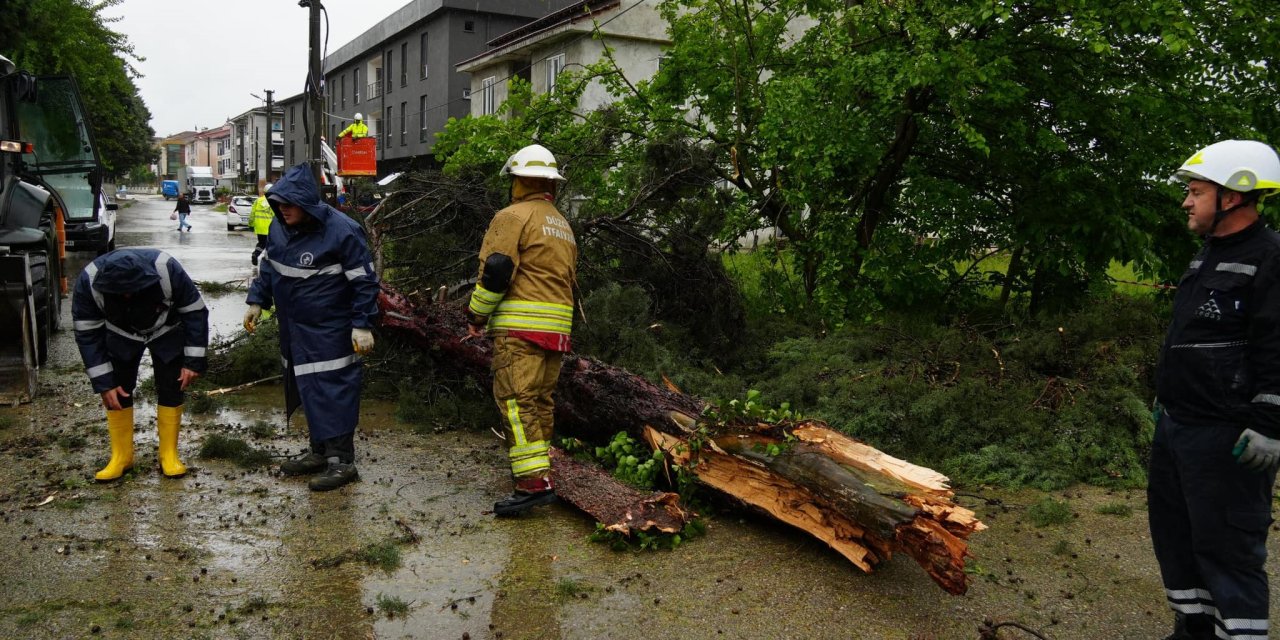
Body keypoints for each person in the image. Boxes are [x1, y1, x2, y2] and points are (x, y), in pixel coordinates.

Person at [1151, 139, 1280, 640]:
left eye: (1196, 191)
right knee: (1177, 539)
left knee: (1228, 548)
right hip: (1179, 426)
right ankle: (1195, 629)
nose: (1187, 201)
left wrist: (1270, 425)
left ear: (1234, 196)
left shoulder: (1270, 259)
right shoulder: (1208, 255)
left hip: (1229, 435)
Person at [243, 163, 379, 491]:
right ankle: (319, 451)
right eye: (279, 204)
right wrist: (256, 301)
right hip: (294, 329)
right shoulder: (279, 228)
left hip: (331, 329)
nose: (283, 210)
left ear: (307, 204)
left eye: (290, 204)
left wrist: (362, 325)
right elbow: (269, 269)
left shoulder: (342, 231)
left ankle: (341, 461)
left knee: (334, 389)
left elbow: (364, 282)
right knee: (306, 388)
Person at [465, 144, 577, 516]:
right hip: (556, 333)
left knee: (515, 402)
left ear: (518, 180)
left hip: (521, 332)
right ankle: (541, 473)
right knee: (540, 402)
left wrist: (475, 316)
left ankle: (531, 484)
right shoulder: (561, 224)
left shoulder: (513, 216)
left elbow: (497, 270)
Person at [72, 248, 209, 481]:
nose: (127, 296)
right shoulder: (88, 283)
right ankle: (121, 457)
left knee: (171, 386)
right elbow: (87, 335)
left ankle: (169, 455)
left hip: (166, 330)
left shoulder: (167, 270)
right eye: (120, 292)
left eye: (132, 290)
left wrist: (193, 362)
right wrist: (104, 383)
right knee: (118, 389)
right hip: (120, 334)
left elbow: (195, 313)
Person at [250, 183, 274, 266]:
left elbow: (252, 214)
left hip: (259, 227)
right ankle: (268, 261)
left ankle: (256, 254)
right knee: (271, 244)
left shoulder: (258, 200)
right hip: (269, 228)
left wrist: (251, 225)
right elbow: (275, 216)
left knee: (261, 243)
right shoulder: (272, 201)